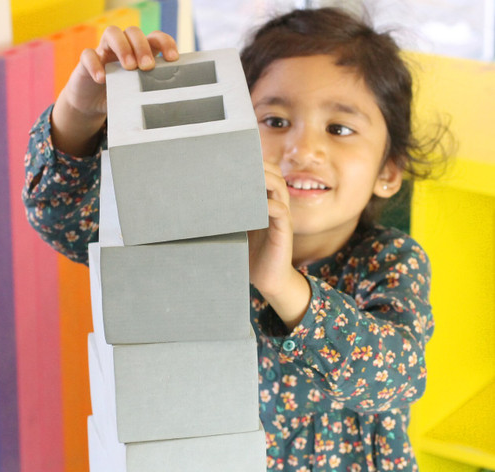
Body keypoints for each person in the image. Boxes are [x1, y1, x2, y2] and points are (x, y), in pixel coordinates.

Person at [23, 7, 444, 471]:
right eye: (275, 121)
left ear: (388, 172)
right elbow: (66, 221)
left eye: (339, 129)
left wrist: (283, 285)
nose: (302, 151)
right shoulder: (199, 234)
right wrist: (81, 112)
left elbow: (398, 378)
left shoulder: (388, 259)